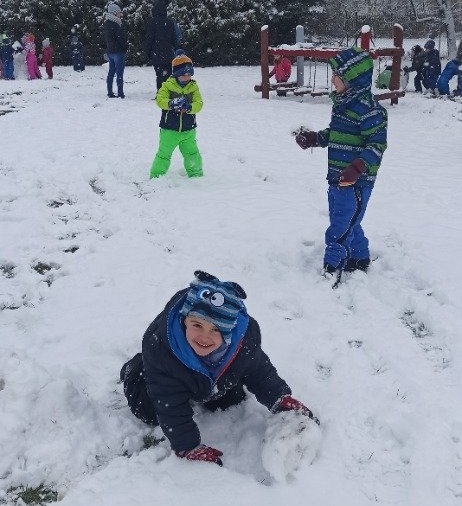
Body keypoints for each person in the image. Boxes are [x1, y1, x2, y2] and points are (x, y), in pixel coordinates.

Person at [120, 270, 319, 465]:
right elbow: (169, 403)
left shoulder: (243, 343)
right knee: (149, 411)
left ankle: (207, 383)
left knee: (230, 400)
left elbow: (258, 370)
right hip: (167, 373)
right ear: (184, 319)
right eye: (197, 325)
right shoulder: (162, 349)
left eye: (216, 329)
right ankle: (135, 369)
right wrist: (188, 446)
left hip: (207, 378)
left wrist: (278, 397)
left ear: (229, 331)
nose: (204, 337)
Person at [294, 46, 387, 276]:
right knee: (348, 220)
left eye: (337, 76)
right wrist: (315, 138)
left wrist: (357, 167)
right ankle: (360, 256)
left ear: (352, 79)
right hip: (337, 176)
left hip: (358, 181)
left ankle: (333, 263)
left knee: (340, 224)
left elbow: (377, 145)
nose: (333, 80)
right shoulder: (343, 105)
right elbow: (336, 133)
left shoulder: (371, 111)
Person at [150, 53, 204, 179]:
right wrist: (171, 103)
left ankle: (196, 175)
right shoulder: (167, 86)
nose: (187, 77)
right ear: (176, 74)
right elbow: (160, 100)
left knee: (192, 153)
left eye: (189, 74)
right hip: (169, 129)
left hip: (188, 130)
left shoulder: (193, 87)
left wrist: (190, 107)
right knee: (164, 154)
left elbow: (199, 103)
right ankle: (156, 175)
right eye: (183, 74)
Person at [145, 0, 182, 91]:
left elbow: (149, 39)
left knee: (159, 74)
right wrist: (177, 49)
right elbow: (174, 39)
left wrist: (147, 52)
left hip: (156, 53)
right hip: (168, 53)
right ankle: (167, 91)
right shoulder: (170, 22)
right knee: (168, 74)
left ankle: (160, 93)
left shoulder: (152, 22)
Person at [103, 2, 128, 99]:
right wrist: (125, 47)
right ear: (114, 13)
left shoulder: (106, 23)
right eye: (119, 12)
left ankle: (109, 91)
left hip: (110, 51)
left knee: (111, 72)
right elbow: (120, 38)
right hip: (118, 51)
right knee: (119, 73)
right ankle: (120, 93)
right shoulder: (116, 24)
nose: (120, 14)